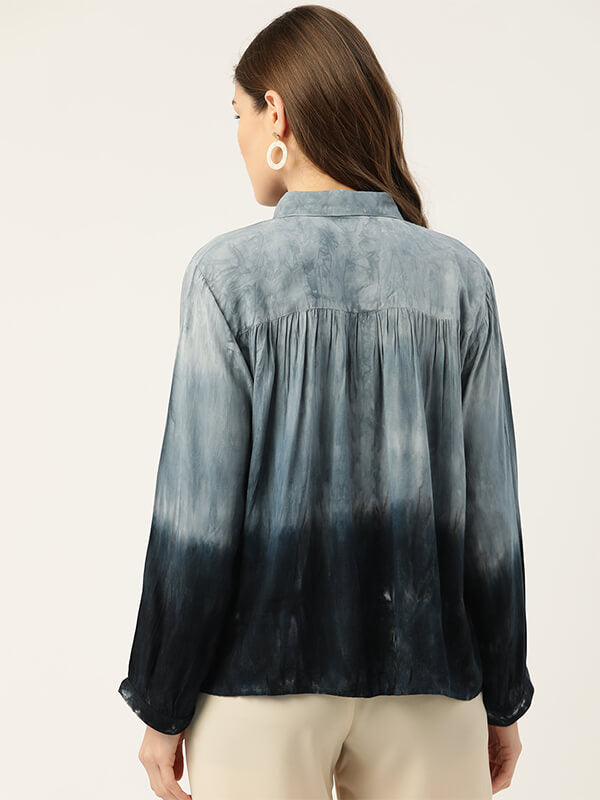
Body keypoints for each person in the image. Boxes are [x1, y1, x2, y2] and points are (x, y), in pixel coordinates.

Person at [117, 5, 534, 799]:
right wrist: (504, 696)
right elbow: (492, 525)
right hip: (432, 687)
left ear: (276, 113)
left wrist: (163, 706)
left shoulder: (226, 279)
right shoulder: (460, 279)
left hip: (259, 689)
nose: (238, 136)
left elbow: (196, 522)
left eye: (237, 114)